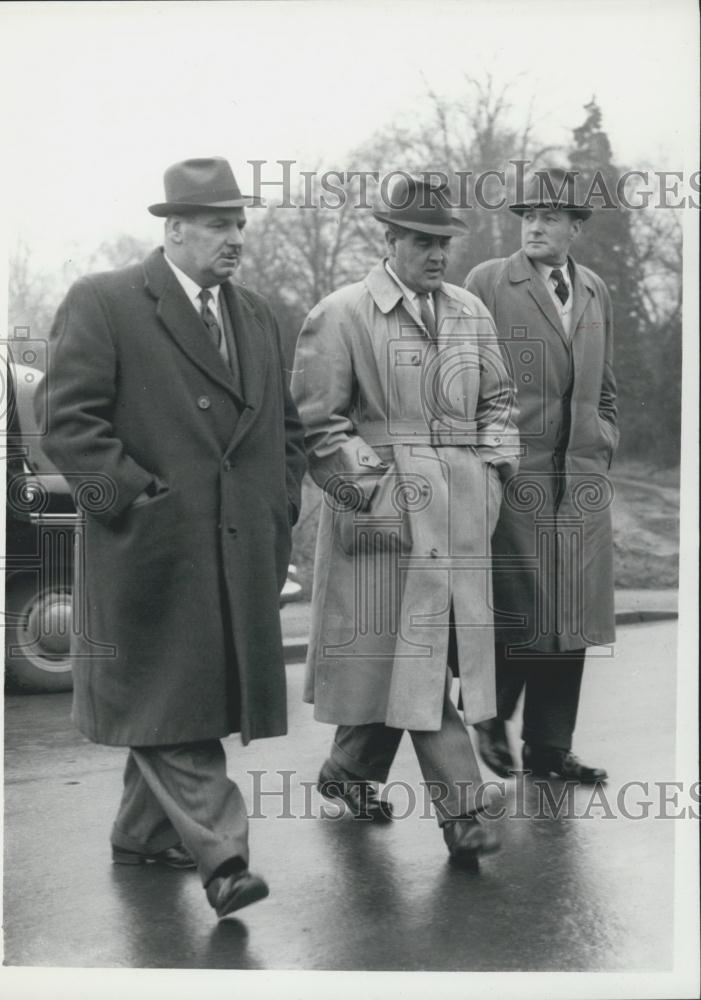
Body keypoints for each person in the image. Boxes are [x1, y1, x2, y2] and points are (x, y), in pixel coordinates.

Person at [39, 157, 306, 917]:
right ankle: (222, 859)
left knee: (173, 698)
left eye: (239, 225)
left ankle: (141, 834)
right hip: (148, 551)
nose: (235, 239)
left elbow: (285, 429)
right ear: (174, 228)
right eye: (219, 225)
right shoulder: (104, 301)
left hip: (236, 547)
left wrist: (278, 503)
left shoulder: (254, 314)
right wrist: (133, 503)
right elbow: (66, 426)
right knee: (169, 695)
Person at [291, 175, 519, 861]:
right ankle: (465, 814)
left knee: (398, 664)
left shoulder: (470, 313)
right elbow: (316, 424)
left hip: (461, 514)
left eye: (443, 241)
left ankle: (348, 772)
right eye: (421, 240)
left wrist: (492, 474)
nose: (435, 253)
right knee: (416, 665)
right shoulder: (341, 313)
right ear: (387, 239)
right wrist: (382, 495)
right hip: (385, 523)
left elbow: (501, 402)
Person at [464, 168, 617, 784]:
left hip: (580, 480)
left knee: (572, 618)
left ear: (576, 227)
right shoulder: (488, 282)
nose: (535, 224)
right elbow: (460, 376)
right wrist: (486, 458)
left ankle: (551, 749)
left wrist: (603, 440)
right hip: (513, 476)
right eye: (528, 214)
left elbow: (607, 388)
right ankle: (488, 719)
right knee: (520, 610)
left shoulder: (596, 289)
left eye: (551, 216)